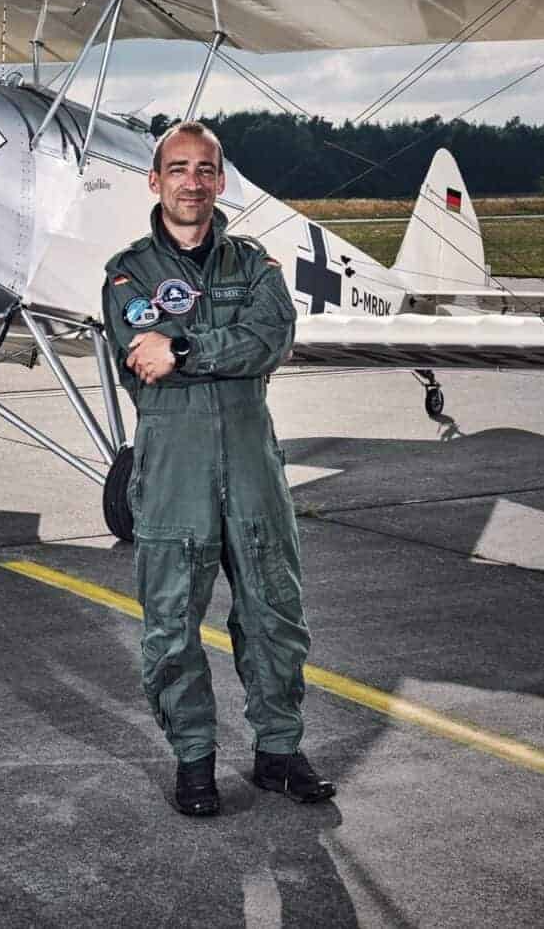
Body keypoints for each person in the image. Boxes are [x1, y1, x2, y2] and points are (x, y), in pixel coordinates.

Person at [100, 121, 336, 817]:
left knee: (275, 617)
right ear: (155, 181)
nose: (193, 182)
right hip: (174, 475)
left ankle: (278, 751)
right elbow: (138, 349)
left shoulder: (254, 264)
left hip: (253, 470)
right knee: (171, 627)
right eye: (179, 169)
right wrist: (188, 349)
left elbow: (272, 337)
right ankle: (195, 761)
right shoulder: (128, 271)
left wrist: (184, 349)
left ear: (220, 181)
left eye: (206, 169)